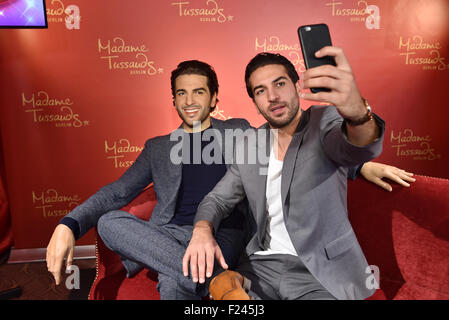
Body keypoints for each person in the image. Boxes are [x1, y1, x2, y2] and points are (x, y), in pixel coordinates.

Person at [46, 58, 413, 300]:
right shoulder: (158, 147)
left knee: (174, 283)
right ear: (172, 100)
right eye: (181, 93)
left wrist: (357, 165)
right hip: (171, 235)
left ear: (215, 97)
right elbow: (118, 191)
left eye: (199, 91)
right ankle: (207, 281)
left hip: (225, 234)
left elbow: (300, 145)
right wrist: (69, 224)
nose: (190, 101)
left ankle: (206, 281)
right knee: (111, 222)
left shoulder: (239, 132)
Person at [183, 47, 391, 300]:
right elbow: (217, 199)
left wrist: (356, 112)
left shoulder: (324, 121)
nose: (272, 96)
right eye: (261, 91)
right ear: (256, 103)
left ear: (295, 86)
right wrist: (202, 230)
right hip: (261, 268)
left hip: (318, 271)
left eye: (279, 84)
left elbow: (356, 145)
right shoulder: (250, 143)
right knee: (226, 293)